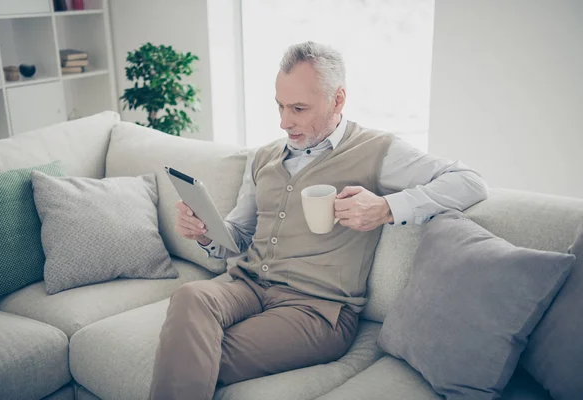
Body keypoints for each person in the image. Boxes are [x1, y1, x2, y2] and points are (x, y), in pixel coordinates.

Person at [150, 41, 488, 400]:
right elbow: (238, 236)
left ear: (338, 100)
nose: (284, 122)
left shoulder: (378, 151)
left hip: (317, 309)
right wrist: (205, 234)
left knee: (191, 351)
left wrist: (387, 207)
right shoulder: (263, 158)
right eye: (279, 106)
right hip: (245, 287)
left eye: (298, 108)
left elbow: (469, 181)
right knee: (190, 297)